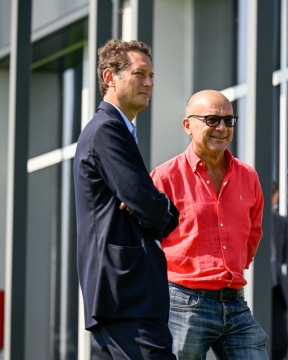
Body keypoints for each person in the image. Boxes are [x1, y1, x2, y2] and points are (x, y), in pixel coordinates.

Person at [74, 39, 180, 359]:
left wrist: (142, 203)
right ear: (110, 77)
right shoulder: (107, 129)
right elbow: (150, 206)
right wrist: (164, 209)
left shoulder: (116, 129)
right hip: (127, 291)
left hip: (119, 292)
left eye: (151, 76)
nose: (148, 83)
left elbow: (138, 201)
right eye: (139, 74)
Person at [150, 90, 268, 359]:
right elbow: (147, 240)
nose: (222, 128)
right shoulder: (164, 177)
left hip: (235, 301)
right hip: (182, 303)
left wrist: (231, 266)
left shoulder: (248, 176)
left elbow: (253, 233)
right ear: (188, 125)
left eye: (228, 120)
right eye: (212, 120)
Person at [271, 181, 288, 360]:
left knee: (280, 342)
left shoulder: (281, 222)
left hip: (275, 287)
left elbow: (283, 257)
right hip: (249, 287)